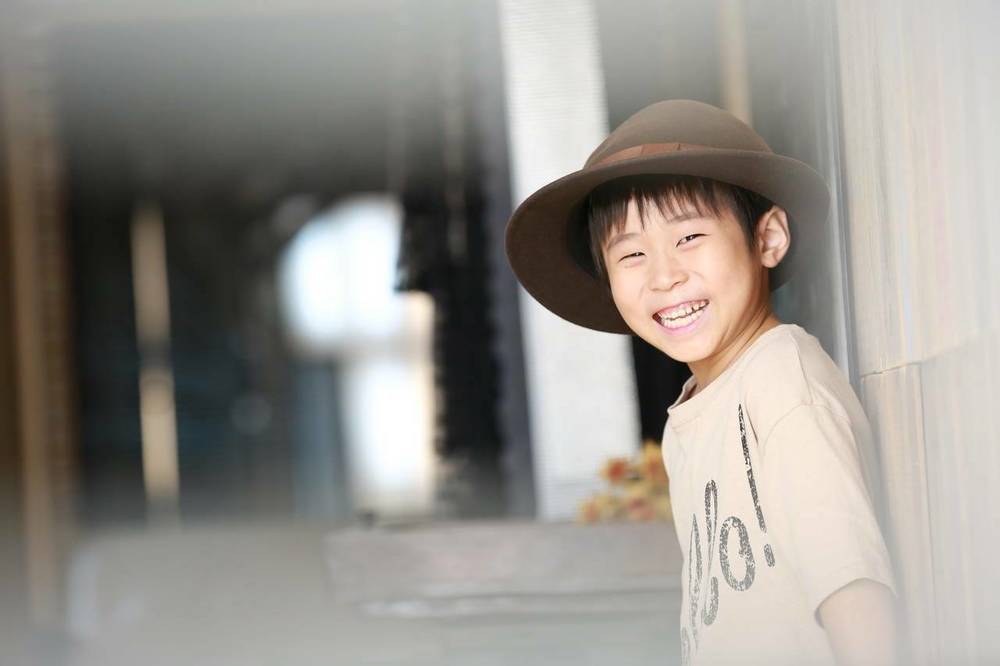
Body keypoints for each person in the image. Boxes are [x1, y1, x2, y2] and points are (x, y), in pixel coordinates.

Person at [505, 100, 898, 665]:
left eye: (689, 237)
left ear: (767, 239)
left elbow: (853, 593)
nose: (664, 275)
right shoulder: (696, 412)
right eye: (632, 253)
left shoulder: (781, 384)